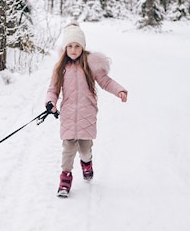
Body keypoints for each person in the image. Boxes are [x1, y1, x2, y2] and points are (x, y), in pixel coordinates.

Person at [44, 22, 128, 197]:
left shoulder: (90, 65)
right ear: (65, 48)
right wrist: (50, 103)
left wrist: (119, 90)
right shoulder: (60, 68)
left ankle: (87, 163)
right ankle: (65, 180)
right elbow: (53, 89)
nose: (73, 50)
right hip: (68, 115)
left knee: (84, 149)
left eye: (77, 46)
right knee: (68, 149)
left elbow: (106, 82)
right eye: (70, 46)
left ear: (82, 47)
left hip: (87, 115)